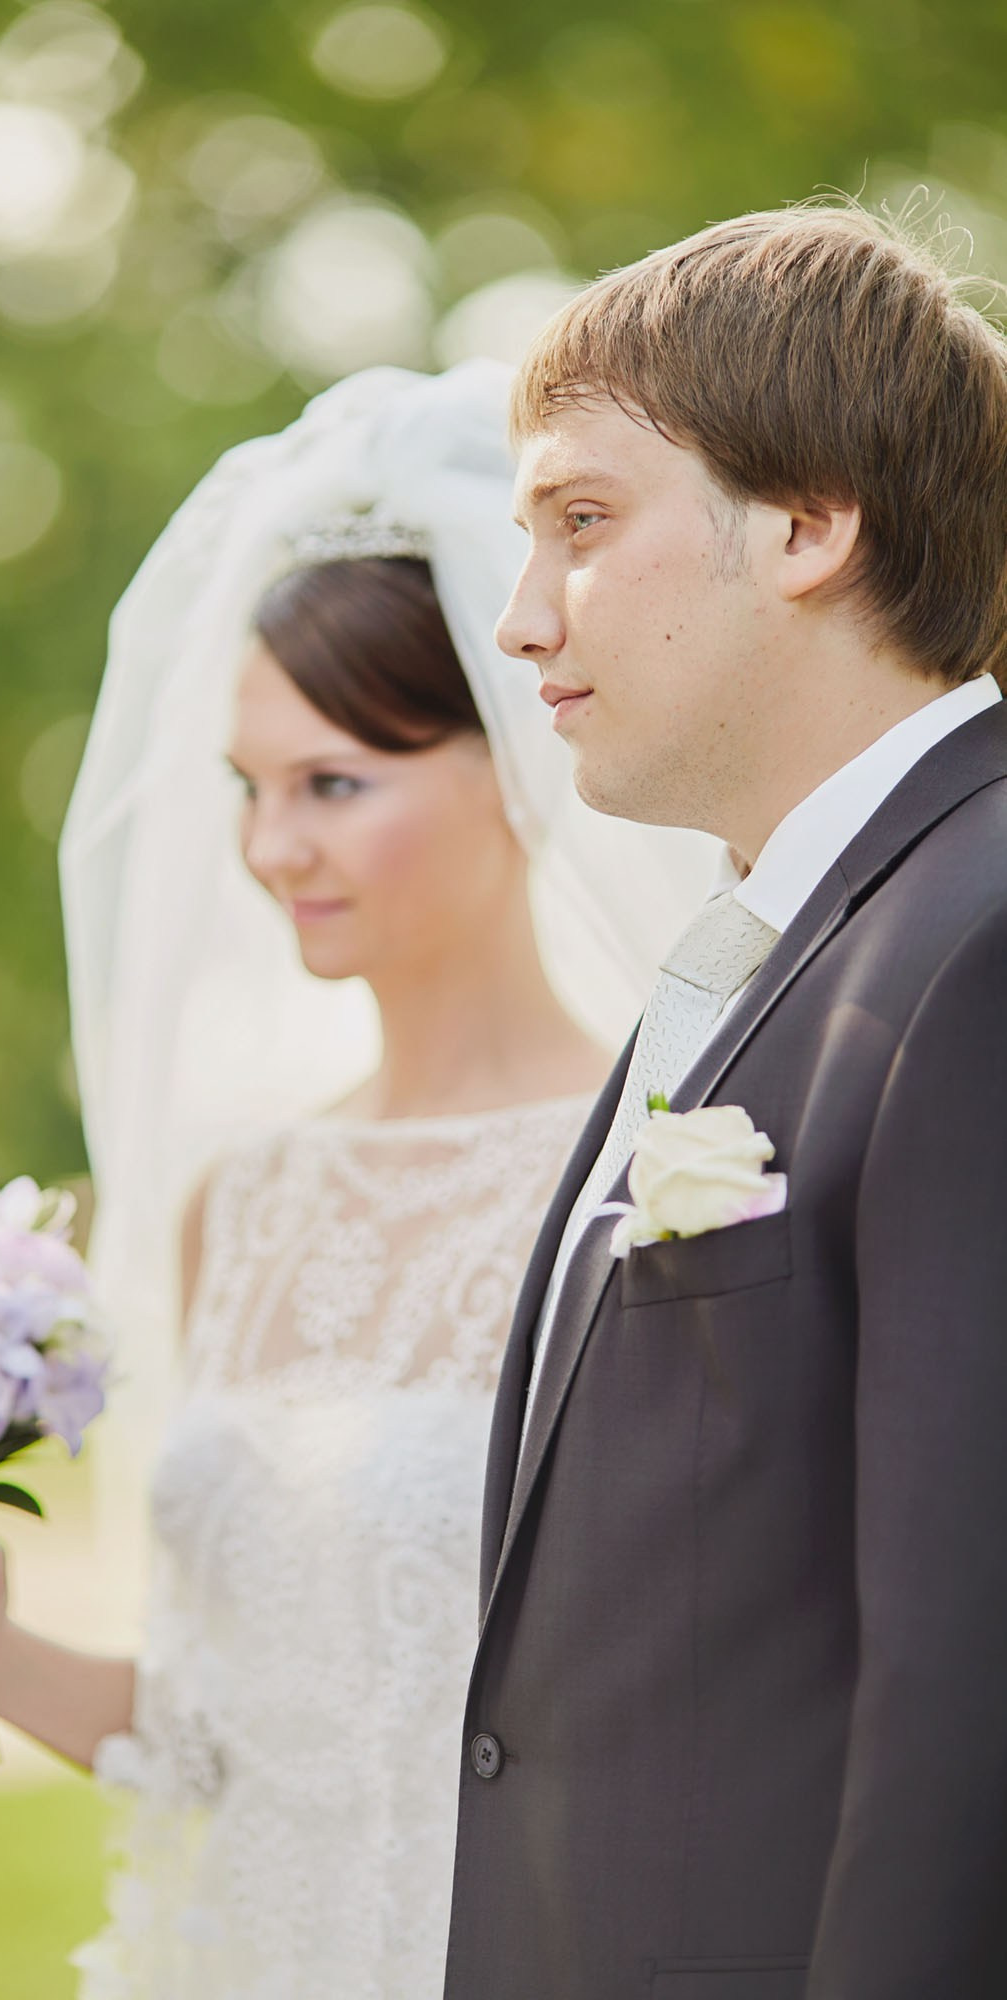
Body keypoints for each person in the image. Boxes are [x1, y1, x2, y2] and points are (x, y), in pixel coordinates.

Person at [0, 363, 712, 1998]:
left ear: (511, 769)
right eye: (250, 789)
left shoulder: (656, 1173)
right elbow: (209, 1734)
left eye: (332, 784)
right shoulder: (237, 1205)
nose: (271, 849)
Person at [443, 207, 1007, 2000]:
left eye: (581, 523)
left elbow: (968, 1693)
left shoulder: (978, 943)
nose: (521, 623)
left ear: (808, 521)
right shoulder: (774, 943)